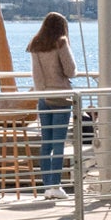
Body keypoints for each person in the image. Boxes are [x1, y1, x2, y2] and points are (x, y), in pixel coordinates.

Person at [26, 12, 76, 201]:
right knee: (58, 143)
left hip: (43, 97)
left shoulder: (35, 44)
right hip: (61, 97)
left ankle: (47, 186)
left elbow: (36, 74)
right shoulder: (60, 42)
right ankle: (56, 185)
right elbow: (71, 70)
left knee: (46, 143)